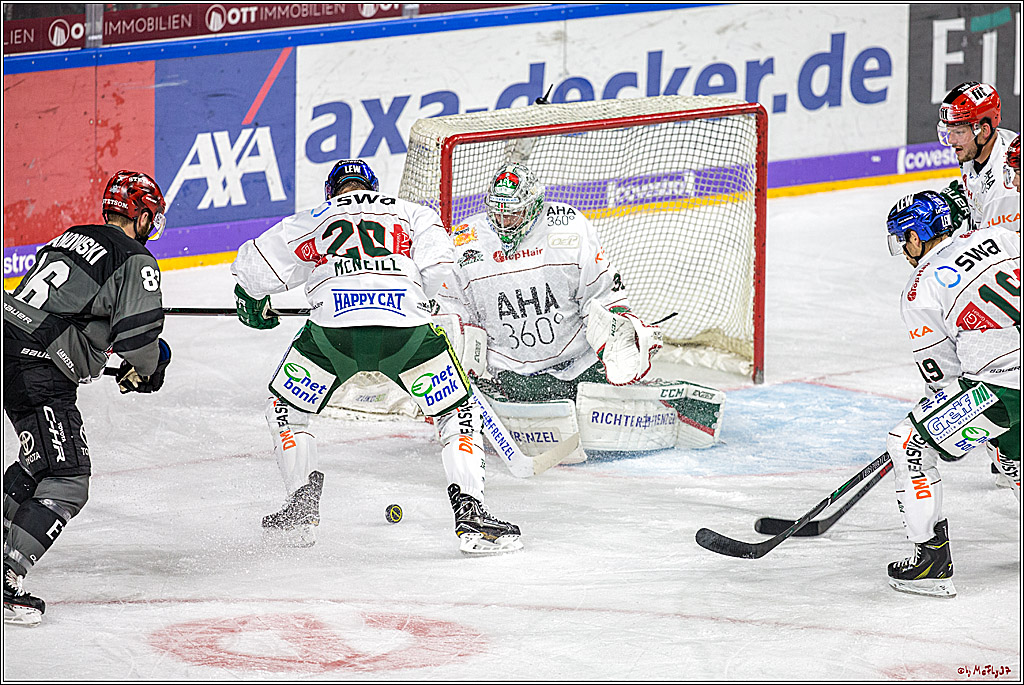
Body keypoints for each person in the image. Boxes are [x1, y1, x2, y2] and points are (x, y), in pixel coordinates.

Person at [230, 159, 521, 556]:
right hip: (408, 337)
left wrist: (252, 302)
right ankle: (472, 515)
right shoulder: (412, 212)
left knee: (287, 411)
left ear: (332, 192)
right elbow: (440, 270)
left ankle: (301, 512)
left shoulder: (316, 216)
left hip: (332, 339)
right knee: (458, 412)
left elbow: (253, 267)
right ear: (375, 187)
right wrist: (419, 299)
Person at [432, 161, 724, 460]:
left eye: (514, 212)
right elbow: (452, 309)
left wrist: (619, 331)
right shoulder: (466, 239)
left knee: (613, 408)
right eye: (498, 211)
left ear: (534, 206)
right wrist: (456, 364)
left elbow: (602, 293)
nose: (504, 221)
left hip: (578, 366)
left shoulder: (568, 226)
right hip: (509, 375)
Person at [3, 170, 172, 626]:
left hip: (12, 341)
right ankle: (6, 578)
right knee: (66, 477)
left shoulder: (71, 235)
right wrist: (152, 363)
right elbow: (138, 345)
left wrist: (123, 358)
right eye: (150, 217)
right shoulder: (135, 258)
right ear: (140, 216)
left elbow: (74, 312)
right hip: (38, 362)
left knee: (37, 463)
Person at [883, 189, 1020, 598]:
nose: (904, 247)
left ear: (918, 236)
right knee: (1012, 449)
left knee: (907, 443)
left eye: (904, 236)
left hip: (1004, 387)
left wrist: (930, 415)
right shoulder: (1003, 237)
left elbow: (944, 377)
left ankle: (931, 559)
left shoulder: (919, 289)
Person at [937, 81, 1019, 233]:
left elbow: (996, 252)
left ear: (984, 130)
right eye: (949, 131)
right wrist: (961, 197)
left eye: (959, 132)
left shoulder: (1003, 192)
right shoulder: (975, 149)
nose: (951, 140)